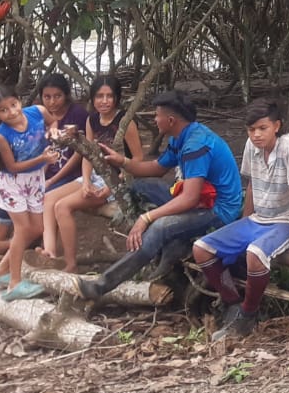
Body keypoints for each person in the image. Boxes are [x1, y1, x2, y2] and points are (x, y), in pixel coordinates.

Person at [191, 100, 289, 342]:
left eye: (263, 128)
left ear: (276, 126)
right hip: (258, 218)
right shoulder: (252, 147)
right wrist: (243, 220)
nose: (256, 135)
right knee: (201, 249)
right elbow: (253, 183)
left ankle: (248, 315)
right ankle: (233, 304)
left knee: (255, 253)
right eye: (251, 130)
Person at [76, 90, 243, 301]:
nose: (154, 120)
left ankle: (101, 286)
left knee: (159, 227)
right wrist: (122, 161)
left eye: (157, 115)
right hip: (200, 200)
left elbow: (190, 198)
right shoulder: (180, 137)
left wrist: (147, 217)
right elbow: (156, 168)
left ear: (170, 120)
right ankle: (167, 249)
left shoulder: (196, 145)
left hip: (218, 210)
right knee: (142, 185)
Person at [41, 75, 144, 272]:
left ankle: (70, 263)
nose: (104, 101)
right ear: (92, 98)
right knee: (49, 199)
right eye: (99, 96)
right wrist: (86, 181)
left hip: (119, 179)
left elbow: (138, 159)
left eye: (109, 96)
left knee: (62, 206)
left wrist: (112, 186)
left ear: (117, 98)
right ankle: (50, 253)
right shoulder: (92, 119)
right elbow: (88, 154)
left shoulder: (125, 122)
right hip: (97, 175)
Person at [0, 85, 53, 301]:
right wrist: (42, 159)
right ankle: (14, 283)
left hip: (35, 180)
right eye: (4, 110)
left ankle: (0, 271)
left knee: (37, 228)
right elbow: (12, 167)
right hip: (13, 184)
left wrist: (54, 132)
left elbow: (53, 122)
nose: (12, 112)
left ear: (19, 100)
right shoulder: (2, 135)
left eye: (13, 105)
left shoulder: (38, 112)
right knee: (22, 229)